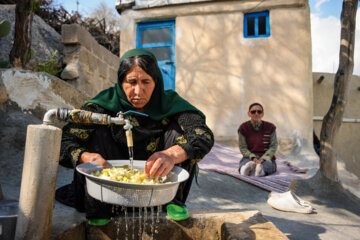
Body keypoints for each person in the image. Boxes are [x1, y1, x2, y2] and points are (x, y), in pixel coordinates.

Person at [57, 49, 214, 224]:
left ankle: (172, 200)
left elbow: (202, 135)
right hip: (108, 187)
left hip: (157, 183)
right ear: (120, 81)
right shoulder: (103, 105)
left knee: (180, 132)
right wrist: (86, 157)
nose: (138, 91)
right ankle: (98, 207)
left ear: (156, 81)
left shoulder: (170, 104)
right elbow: (65, 141)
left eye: (146, 81)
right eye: (131, 82)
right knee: (97, 130)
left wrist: (171, 155)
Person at [237, 103, 278, 177]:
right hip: (249, 157)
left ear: (262, 114)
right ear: (249, 114)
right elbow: (242, 147)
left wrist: (263, 158)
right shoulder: (243, 128)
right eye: (253, 112)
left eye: (259, 112)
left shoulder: (270, 127)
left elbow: (273, 145)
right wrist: (252, 157)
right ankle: (245, 170)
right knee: (244, 164)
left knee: (269, 166)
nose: (256, 114)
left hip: (266, 157)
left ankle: (260, 171)